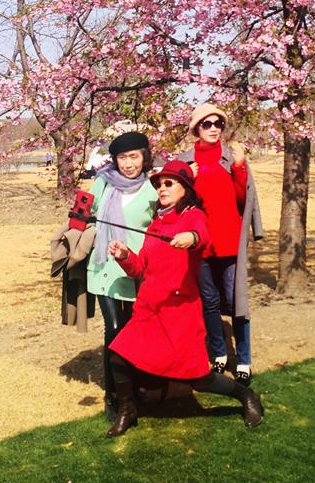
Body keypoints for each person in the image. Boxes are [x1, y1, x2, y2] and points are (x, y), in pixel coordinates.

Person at [105, 159, 263, 436]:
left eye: (169, 183)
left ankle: (246, 396)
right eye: (159, 184)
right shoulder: (156, 223)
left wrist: (190, 237)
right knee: (119, 355)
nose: (162, 188)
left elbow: (202, 237)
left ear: (184, 188)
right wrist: (125, 256)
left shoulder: (193, 215)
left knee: (199, 378)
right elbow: (141, 268)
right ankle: (128, 411)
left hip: (180, 312)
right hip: (149, 309)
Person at [178, 103, 263, 386]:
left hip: (229, 241)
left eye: (218, 124)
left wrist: (239, 167)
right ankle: (218, 354)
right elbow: (174, 199)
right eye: (207, 124)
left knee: (236, 300)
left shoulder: (233, 157)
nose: (214, 128)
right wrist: (188, 178)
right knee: (209, 302)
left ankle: (244, 359)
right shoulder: (185, 161)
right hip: (201, 242)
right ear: (196, 129)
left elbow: (244, 199)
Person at [86, 131, 158, 418]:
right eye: (122, 158)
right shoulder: (103, 183)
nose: (128, 164)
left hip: (138, 270)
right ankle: (113, 394)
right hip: (104, 269)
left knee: (135, 330)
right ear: (114, 160)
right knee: (115, 329)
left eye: (134, 157)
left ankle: (135, 385)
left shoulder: (153, 187)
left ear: (144, 156)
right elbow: (83, 212)